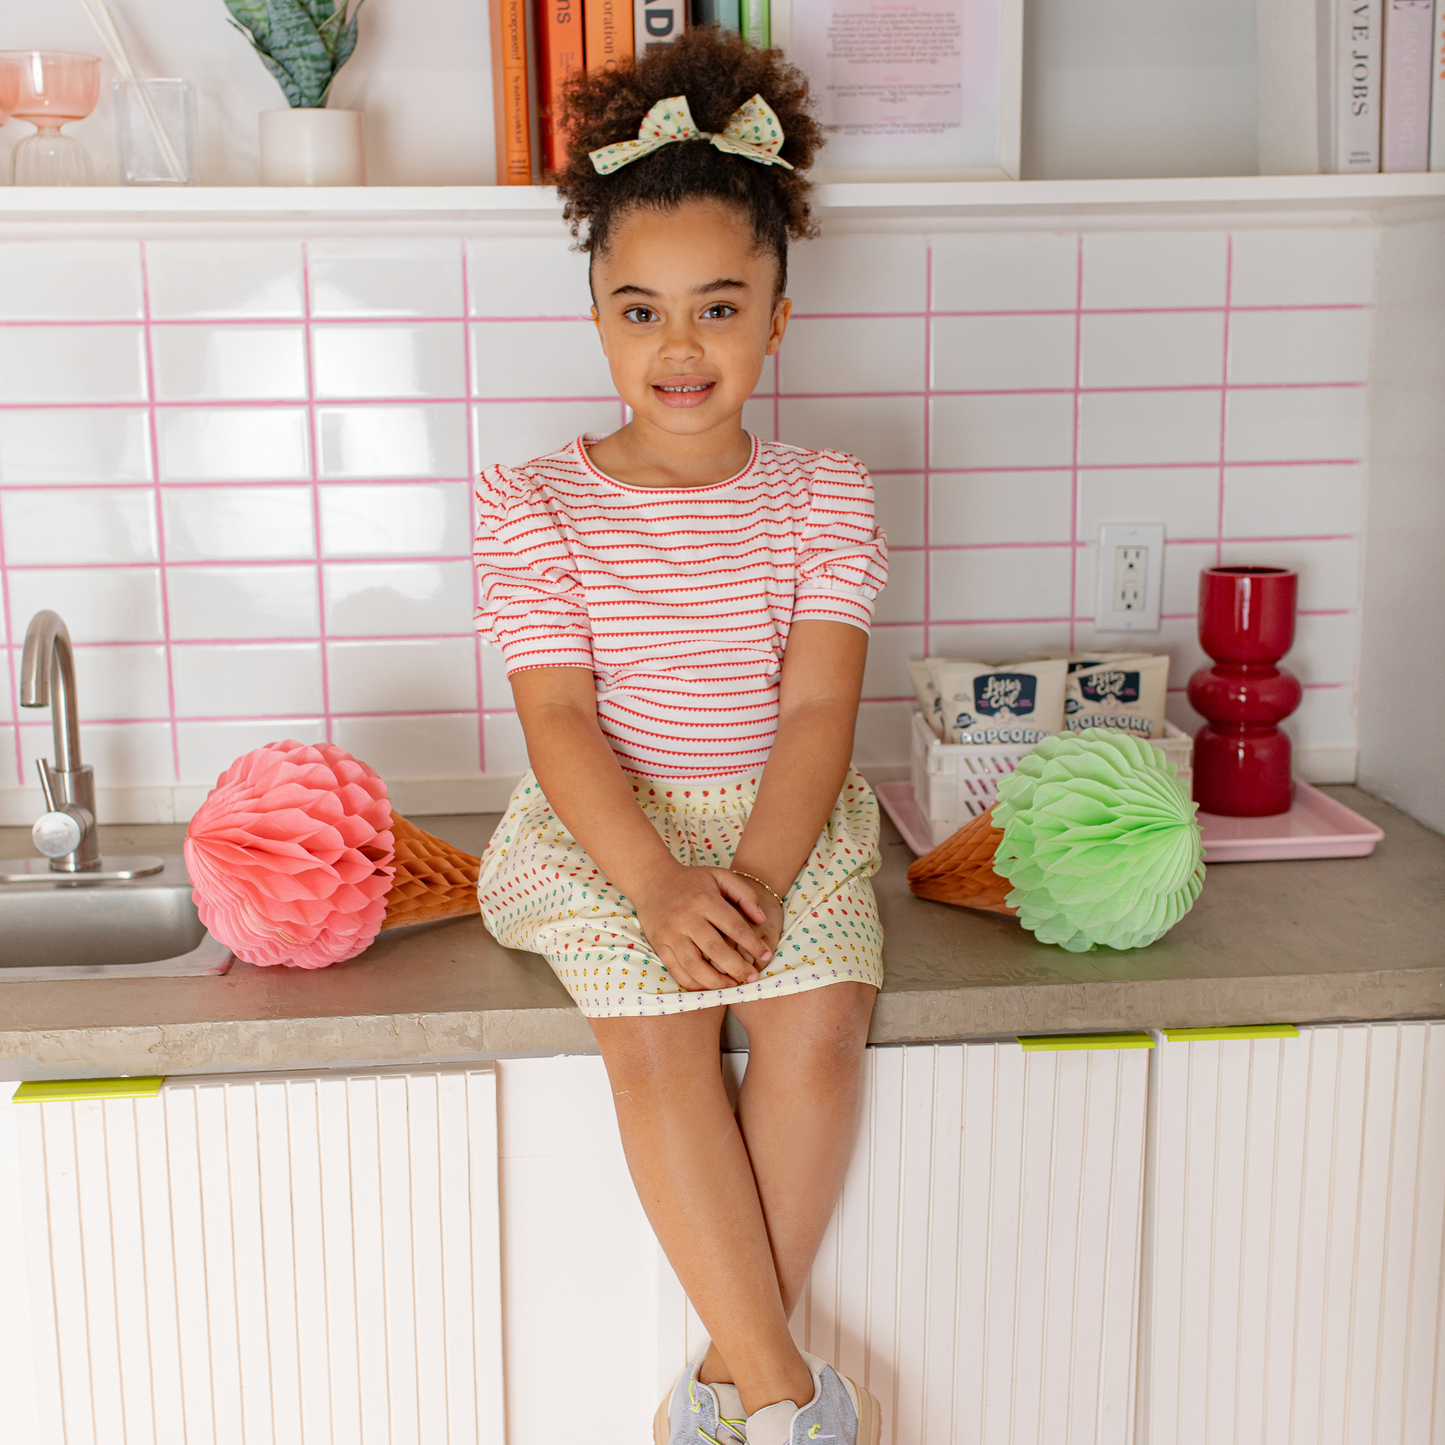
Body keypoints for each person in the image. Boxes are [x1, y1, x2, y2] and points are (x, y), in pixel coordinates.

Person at [473, 28, 888, 1445]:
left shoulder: (825, 493)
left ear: (778, 316)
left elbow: (821, 711)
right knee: (656, 1039)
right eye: (639, 310)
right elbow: (560, 718)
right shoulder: (534, 501)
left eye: (719, 307)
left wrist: (759, 881)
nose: (680, 345)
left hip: (784, 821)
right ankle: (786, 1402)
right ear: (596, 316)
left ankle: (720, 1382)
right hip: (608, 833)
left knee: (819, 1031)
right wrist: (657, 885)